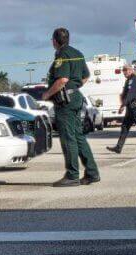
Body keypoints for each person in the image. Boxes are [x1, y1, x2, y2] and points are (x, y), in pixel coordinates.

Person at [42, 28, 100, 187]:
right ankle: (92, 173)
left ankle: (72, 175)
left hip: (65, 102)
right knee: (78, 136)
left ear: (54, 41)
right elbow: (86, 76)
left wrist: (47, 94)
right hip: (75, 98)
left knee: (68, 138)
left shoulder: (62, 55)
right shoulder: (78, 53)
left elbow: (62, 79)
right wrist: (75, 87)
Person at [107, 64, 136, 154]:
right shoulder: (128, 80)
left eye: (126, 70)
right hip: (130, 108)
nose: (124, 72)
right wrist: (123, 104)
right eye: (123, 71)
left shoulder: (134, 79)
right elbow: (125, 93)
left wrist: (123, 105)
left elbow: (131, 94)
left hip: (135, 107)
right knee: (124, 127)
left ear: (131, 70)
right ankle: (118, 147)